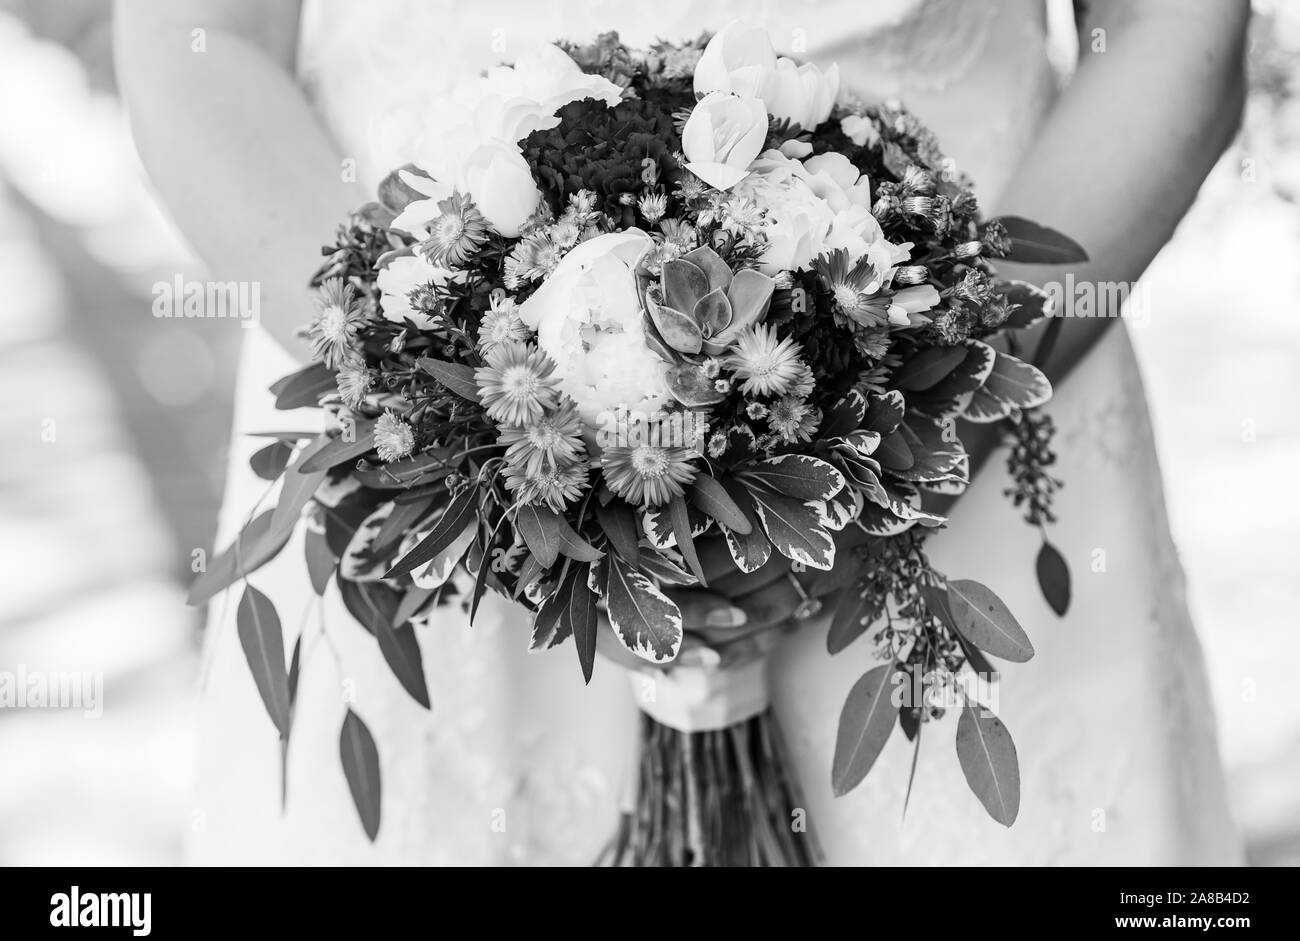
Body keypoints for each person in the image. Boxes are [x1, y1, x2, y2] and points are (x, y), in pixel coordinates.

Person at [116, 0, 1249, 864]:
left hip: (965, 421)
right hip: (441, 502)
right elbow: (198, 47)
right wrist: (436, 419)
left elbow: (1169, 25)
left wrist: (909, 434)